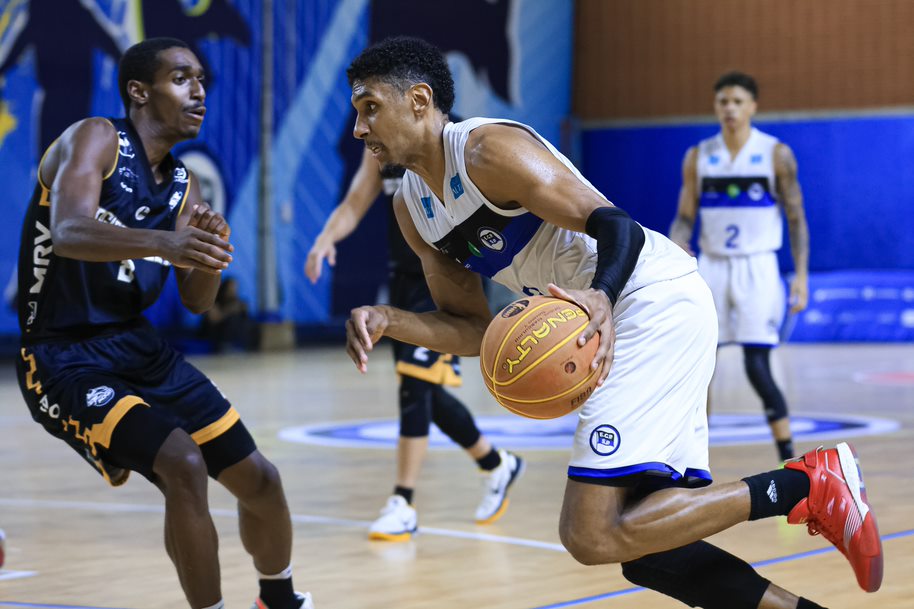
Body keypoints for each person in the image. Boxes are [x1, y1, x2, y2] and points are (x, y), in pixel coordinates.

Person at [343, 36, 882, 608]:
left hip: (649, 301)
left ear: (420, 101)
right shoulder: (412, 210)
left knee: (590, 533)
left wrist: (600, 295)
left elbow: (615, 225)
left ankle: (808, 484)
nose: (359, 129)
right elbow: (474, 330)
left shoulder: (486, 151)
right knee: (655, 552)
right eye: (357, 113)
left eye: (370, 107)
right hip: (620, 316)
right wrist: (389, 319)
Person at [14, 38, 311, 609]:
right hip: (60, 357)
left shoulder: (183, 186)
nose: (198, 90)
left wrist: (206, 256)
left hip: (140, 349)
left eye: (202, 79)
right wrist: (168, 241)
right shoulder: (96, 139)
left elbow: (197, 304)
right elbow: (70, 232)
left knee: (261, 480)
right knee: (182, 462)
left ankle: (280, 599)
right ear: (139, 91)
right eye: (181, 78)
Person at [306, 146, 524, 540]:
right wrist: (325, 238)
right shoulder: (380, 146)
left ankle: (402, 502)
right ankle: (496, 463)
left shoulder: (457, 138)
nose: (363, 123)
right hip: (404, 280)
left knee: (413, 388)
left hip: (443, 276)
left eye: (372, 106)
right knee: (428, 394)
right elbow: (356, 201)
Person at [669, 71, 809, 463]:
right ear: (716, 107)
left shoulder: (774, 153)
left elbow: (796, 217)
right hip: (711, 265)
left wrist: (800, 275)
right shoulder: (698, 156)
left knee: (757, 364)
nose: (729, 108)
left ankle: (789, 458)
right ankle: (694, 457)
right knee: (700, 362)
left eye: (737, 101)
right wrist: (677, 239)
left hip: (758, 266)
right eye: (722, 101)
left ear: (752, 107)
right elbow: (684, 215)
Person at [200, 276, 260, 352]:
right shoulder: (214, 302)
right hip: (216, 336)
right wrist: (229, 310)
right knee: (231, 320)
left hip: (236, 339)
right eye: (230, 288)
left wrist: (243, 310)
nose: (233, 290)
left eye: (235, 288)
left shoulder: (238, 302)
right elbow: (214, 319)